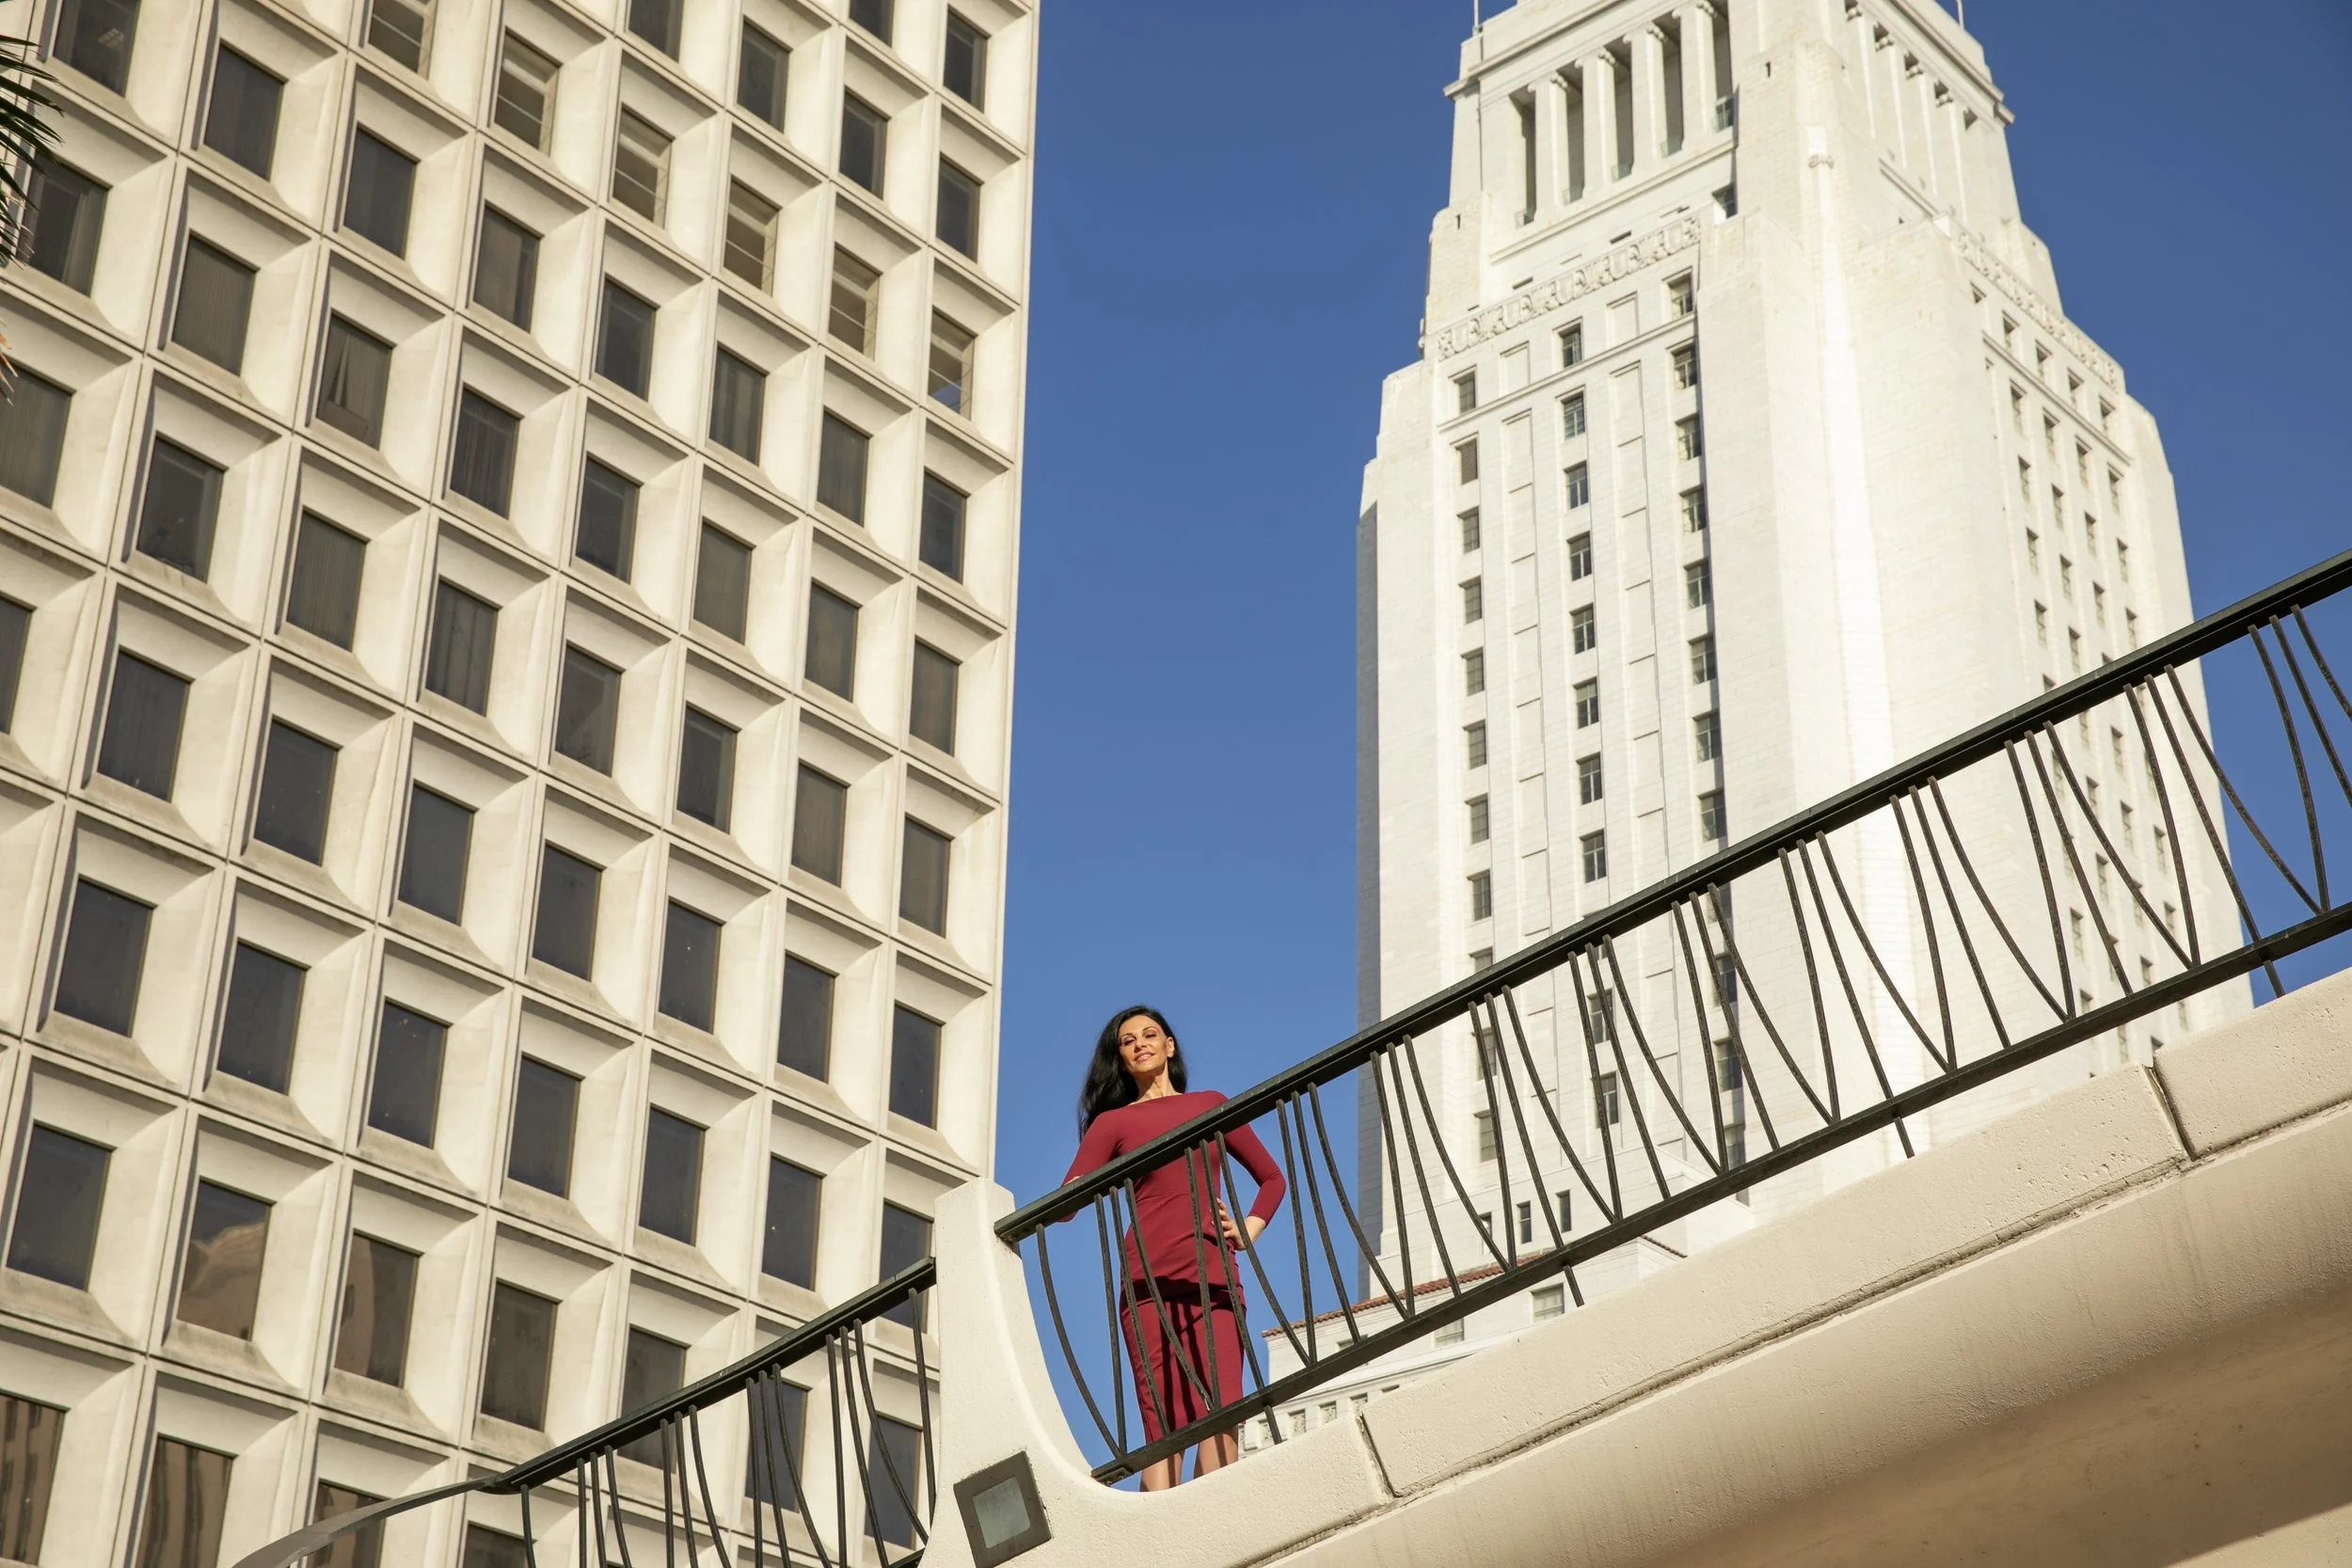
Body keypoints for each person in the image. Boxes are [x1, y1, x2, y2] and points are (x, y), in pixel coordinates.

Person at [1061, 1005, 1286, 1490]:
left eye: (1149, 1034)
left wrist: (1249, 1228)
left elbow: (1271, 1178)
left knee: (1223, 1408)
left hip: (1214, 1278)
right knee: (1162, 1426)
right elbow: (1066, 1204)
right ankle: (1156, 1539)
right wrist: (1077, 1181)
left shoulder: (1208, 1104)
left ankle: (1214, 1521)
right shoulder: (1112, 1125)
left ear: (1169, 1046)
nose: (1139, 1043)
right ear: (1121, 1059)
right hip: (1147, 1283)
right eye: (1127, 1041)